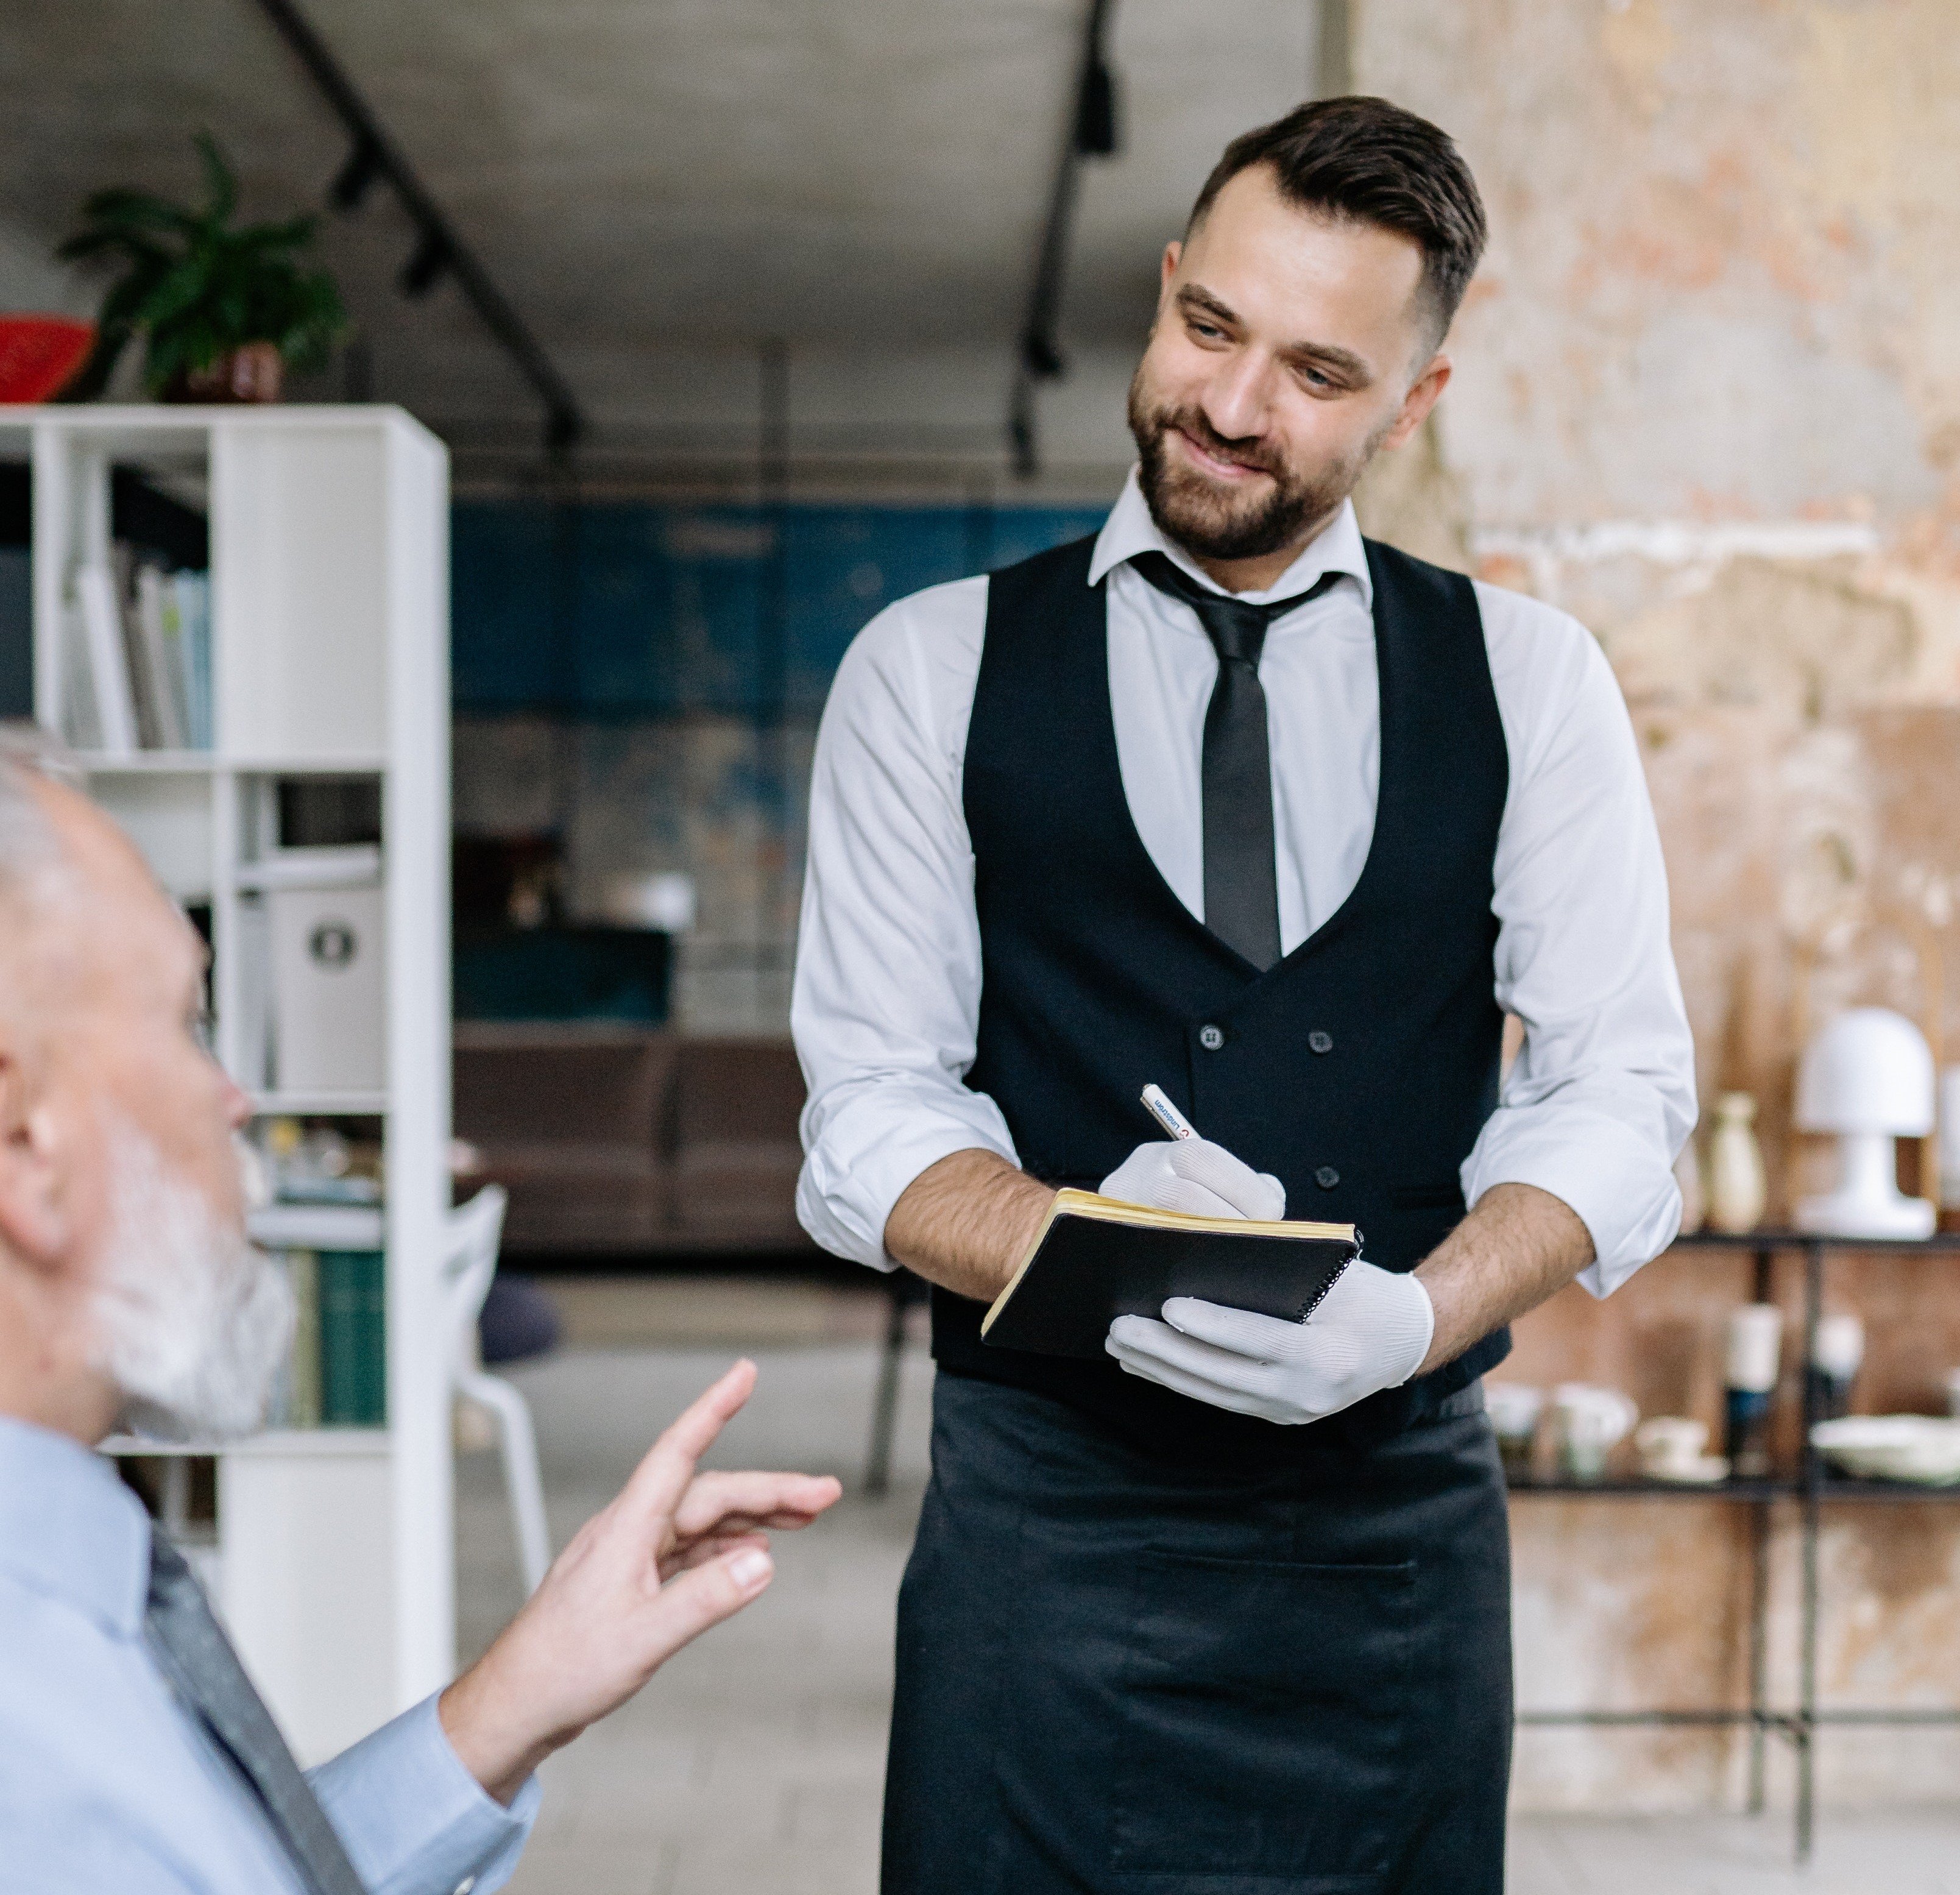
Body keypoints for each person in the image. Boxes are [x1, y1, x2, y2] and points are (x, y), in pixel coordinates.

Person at [794, 96, 1694, 1892]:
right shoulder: (928, 670)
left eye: (1314, 371)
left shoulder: (1530, 681)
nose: (1227, 405)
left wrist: (1413, 1314)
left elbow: (1621, 1098)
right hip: (1042, 1528)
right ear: (1164, 285)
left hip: (1389, 1542)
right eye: (1206, 327)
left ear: (1415, 402)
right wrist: (1091, 1236)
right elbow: (869, 1117)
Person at [0, 739, 843, 1895]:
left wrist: (516, 1697)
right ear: (24, 1142)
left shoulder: (69, 1590)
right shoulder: (32, 1729)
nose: (233, 1097)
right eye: (186, 1023)